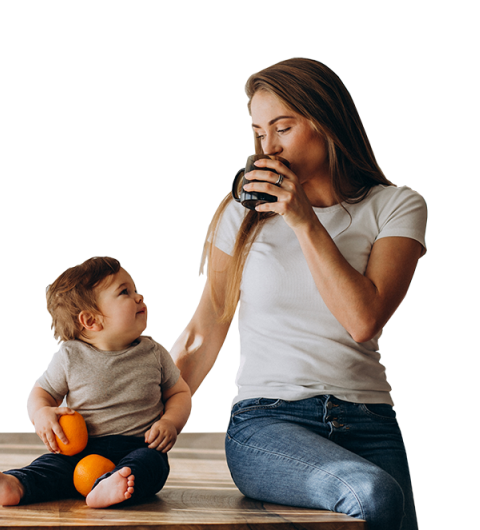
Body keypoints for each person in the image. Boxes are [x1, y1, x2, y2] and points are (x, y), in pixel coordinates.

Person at [170, 57, 425, 530]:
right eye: (259, 132)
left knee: (388, 509)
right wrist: (137, 416)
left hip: (369, 420)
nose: (269, 147)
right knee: (372, 495)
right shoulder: (240, 215)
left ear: (326, 121)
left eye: (283, 128)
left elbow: (362, 319)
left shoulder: (395, 207)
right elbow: (204, 331)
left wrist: (303, 218)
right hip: (267, 422)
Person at [0, 256, 192, 508]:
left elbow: (179, 393)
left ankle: (111, 484)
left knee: (151, 465)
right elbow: (41, 392)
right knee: (50, 466)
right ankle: (15, 484)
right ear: (91, 320)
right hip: (80, 451)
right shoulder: (70, 357)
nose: (139, 297)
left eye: (135, 289)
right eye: (125, 292)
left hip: (139, 445)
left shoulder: (154, 352)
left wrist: (170, 422)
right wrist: (42, 414)